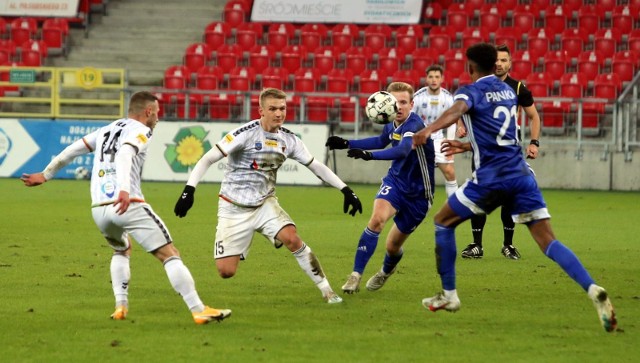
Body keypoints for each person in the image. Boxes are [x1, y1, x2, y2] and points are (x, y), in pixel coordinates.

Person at [412, 43, 617, 333]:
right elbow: (503, 135)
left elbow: (456, 110)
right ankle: (592, 288)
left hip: (491, 176)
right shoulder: (508, 92)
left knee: (443, 223)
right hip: (521, 174)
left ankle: (449, 295)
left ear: (471, 66)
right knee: (549, 242)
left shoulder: (470, 91)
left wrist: (426, 130)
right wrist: (467, 144)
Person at [21, 91, 231, 325]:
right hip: (127, 203)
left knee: (122, 250)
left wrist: (46, 174)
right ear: (148, 112)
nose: (158, 117)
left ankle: (121, 306)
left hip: (99, 208)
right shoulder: (141, 130)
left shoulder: (106, 130)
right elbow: (125, 153)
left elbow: (72, 150)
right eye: (157, 112)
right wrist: (123, 189)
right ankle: (198, 309)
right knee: (169, 254)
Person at [173, 87, 362, 304]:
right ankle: (268, 234)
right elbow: (207, 158)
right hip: (233, 207)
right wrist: (189, 190)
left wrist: (346, 190)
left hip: (265, 203)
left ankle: (328, 291)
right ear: (261, 110)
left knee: (292, 238)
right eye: (272, 108)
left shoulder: (289, 140)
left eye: (282, 108)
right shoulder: (244, 134)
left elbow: (316, 166)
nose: (278, 113)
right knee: (226, 271)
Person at [326, 82, 435, 294]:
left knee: (392, 247)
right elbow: (381, 140)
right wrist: (348, 143)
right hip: (395, 182)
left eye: (404, 102)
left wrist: (369, 156)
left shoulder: (414, 125)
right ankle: (355, 275)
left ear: (412, 104)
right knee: (376, 220)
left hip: (419, 195)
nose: (399, 107)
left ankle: (385, 271)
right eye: (395, 103)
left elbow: (404, 150)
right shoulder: (391, 122)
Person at [458, 43, 542, 260]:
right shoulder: (479, 88)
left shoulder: (518, 88)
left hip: (507, 153)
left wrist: (534, 142)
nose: (499, 64)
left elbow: (534, 116)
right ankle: (476, 245)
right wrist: (461, 125)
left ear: (510, 63)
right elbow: (463, 107)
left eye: (504, 60)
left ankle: (508, 244)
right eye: (496, 60)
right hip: (483, 152)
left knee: (508, 198)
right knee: (479, 197)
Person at [412, 64, 459, 198]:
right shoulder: (418, 97)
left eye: (437, 77)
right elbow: (409, 119)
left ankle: (453, 207)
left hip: (438, 139)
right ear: (426, 79)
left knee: (450, 172)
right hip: (420, 139)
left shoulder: (448, 97)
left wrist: (450, 142)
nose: (434, 80)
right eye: (431, 77)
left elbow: (451, 121)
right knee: (414, 175)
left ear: (442, 79)